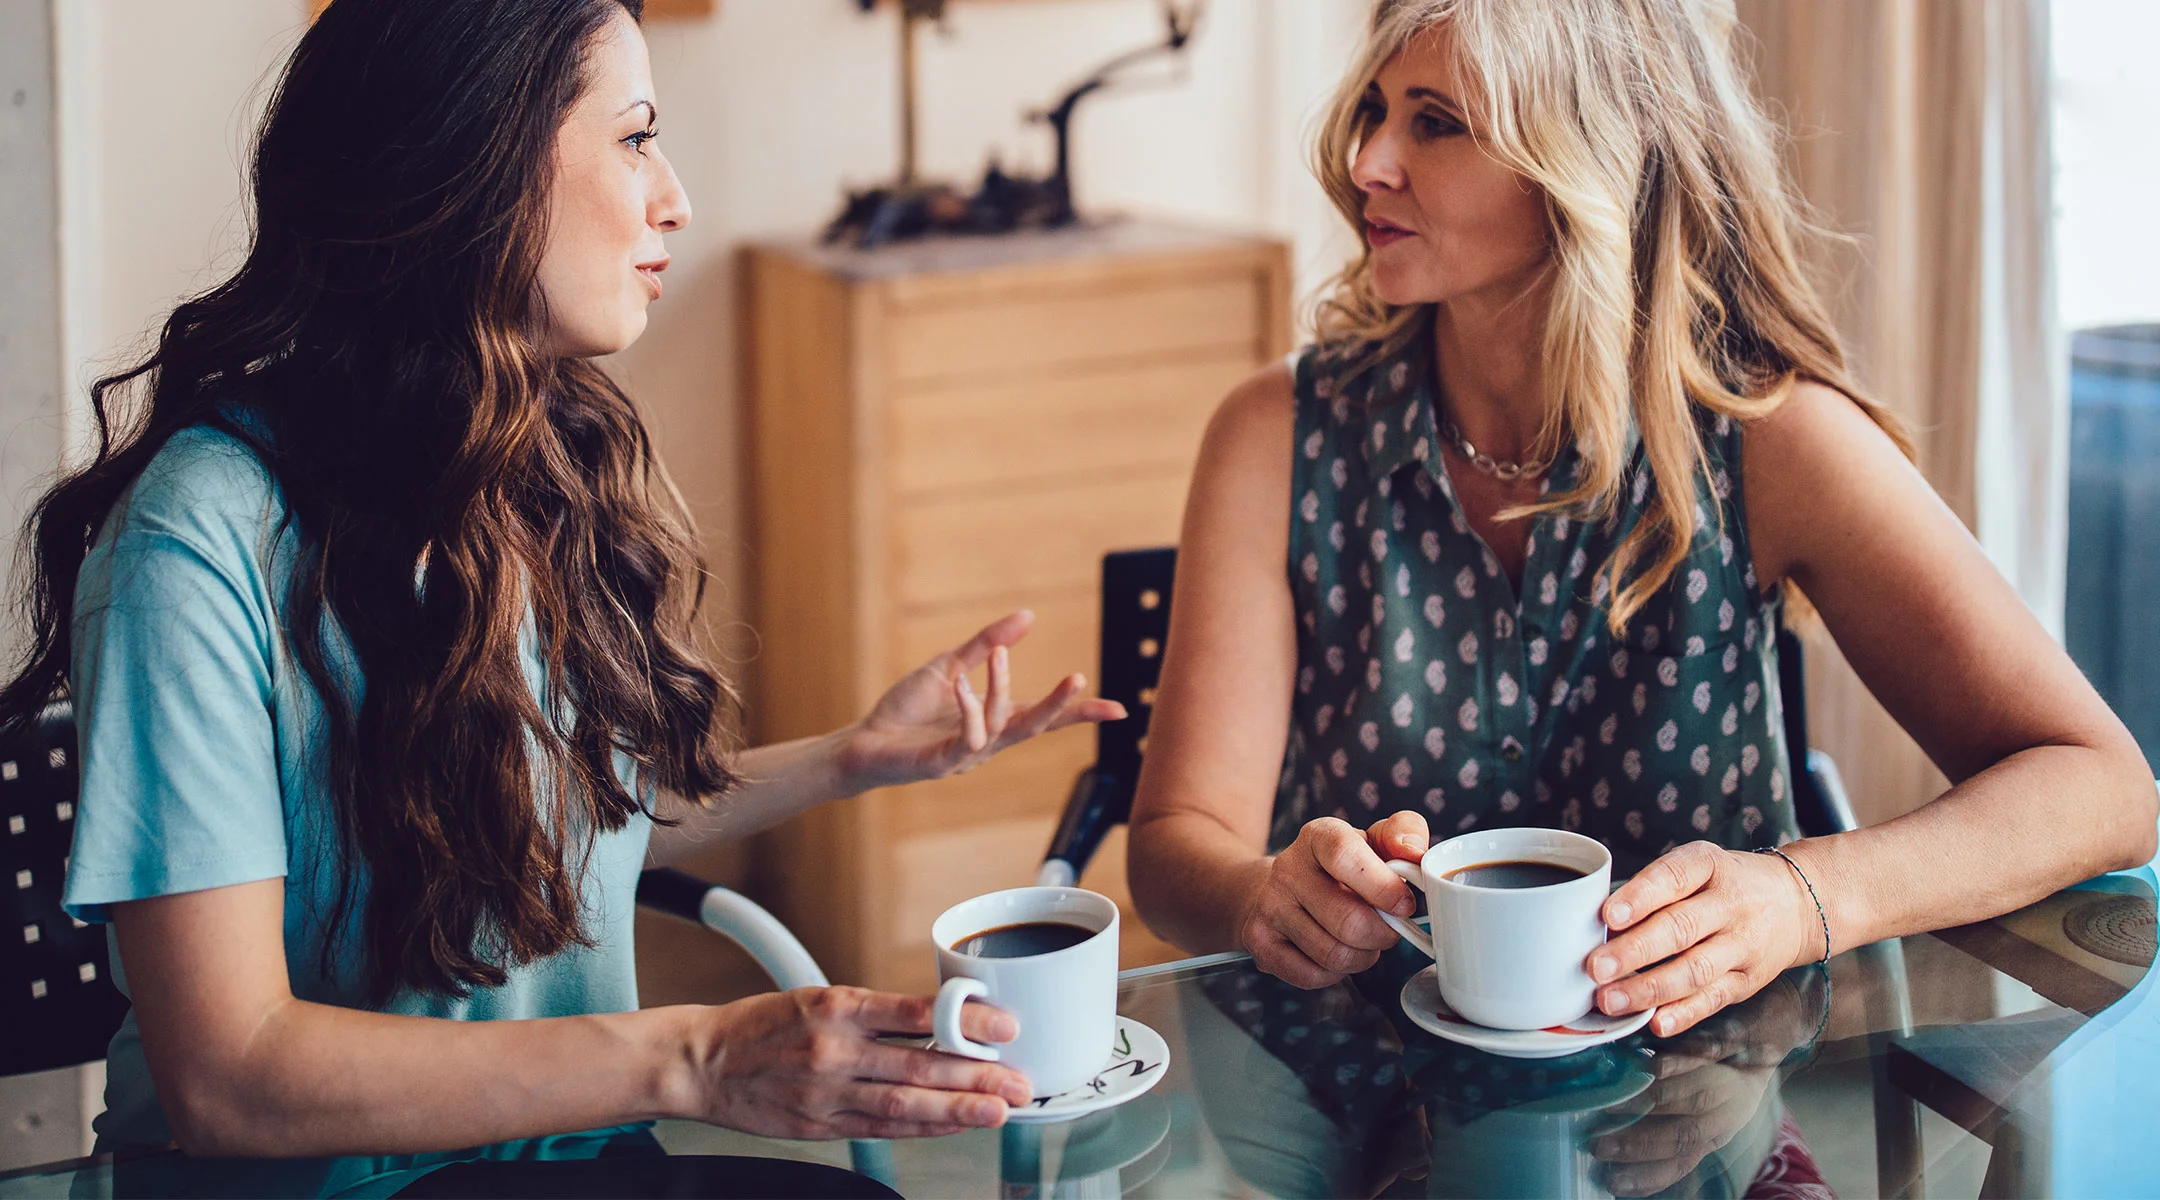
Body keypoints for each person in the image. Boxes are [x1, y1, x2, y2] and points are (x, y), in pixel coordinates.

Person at [3, 0, 1122, 1161]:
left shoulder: (523, 459)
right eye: (634, 139)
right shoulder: (192, 541)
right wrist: (694, 1055)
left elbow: (548, 826)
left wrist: (851, 757)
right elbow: (229, 1081)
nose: (673, 197)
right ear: (470, 164)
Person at [1126, 0, 2155, 1039]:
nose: (1369, 163)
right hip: (1347, 1094)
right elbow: (1176, 844)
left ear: (1586, 156)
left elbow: (2105, 788)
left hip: (1705, 1101)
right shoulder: (1276, 436)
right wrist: (1259, 893)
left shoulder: (1771, 441)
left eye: (1435, 122)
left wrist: (1803, 895)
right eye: (1376, 112)